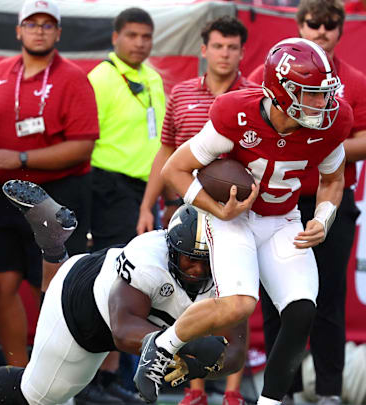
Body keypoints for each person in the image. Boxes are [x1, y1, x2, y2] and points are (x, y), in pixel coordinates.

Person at [134, 37, 353, 405]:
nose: (323, 103)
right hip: (233, 218)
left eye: (324, 93)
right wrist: (216, 209)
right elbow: (176, 169)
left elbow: (333, 180)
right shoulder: (236, 114)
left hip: (282, 218)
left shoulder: (332, 122)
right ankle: (161, 344)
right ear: (281, 92)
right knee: (239, 304)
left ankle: (269, 401)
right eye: (312, 94)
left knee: (302, 310)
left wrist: (324, 217)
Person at [0, 180, 248, 405]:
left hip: (96, 275)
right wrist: (185, 343)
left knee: (46, 363)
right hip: (83, 312)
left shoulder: (228, 275)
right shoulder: (150, 257)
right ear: (170, 244)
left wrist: (198, 366)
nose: (194, 268)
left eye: (203, 261)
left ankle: (54, 247)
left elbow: (235, 353)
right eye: (187, 257)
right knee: (37, 395)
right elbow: (122, 332)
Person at [248, 1, 366, 403]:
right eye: (313, 23)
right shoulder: (265, 73)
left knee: (327, 299)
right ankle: (282, 391)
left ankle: (328, 392)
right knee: (276, 301)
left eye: (330, 24)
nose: (321, 31)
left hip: (329, 196)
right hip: (275, 199)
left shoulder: (353, 82)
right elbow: (248, 123)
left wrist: (321, 143)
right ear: (299, 24)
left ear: (342, 29)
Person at [0, 0, 98, 368]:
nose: (39, 30)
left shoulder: (73, 76)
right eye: (32, 23)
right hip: (4, 193)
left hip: (59, 193)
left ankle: (54, 372)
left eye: (47, 24)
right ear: (18, 30)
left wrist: (21, 157)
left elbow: (83, 146)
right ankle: (16, 373)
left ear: (58, 32)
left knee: (54, 290)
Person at [136, 17, 256, 405]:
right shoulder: (183, 93)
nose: (225, 54)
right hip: (187, 208)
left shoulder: (253, 98)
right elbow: (167, 152)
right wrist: (146, 204)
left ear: (241, 52)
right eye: (218, 46)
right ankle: (195, 388)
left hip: (234, 210)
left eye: (232, 47)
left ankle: (233, 392)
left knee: (235, 295)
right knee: (190, 294)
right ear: (204, 50)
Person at [86, 8, 165, 401]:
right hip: (107, 186)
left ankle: (113, 377)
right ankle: (96, 379)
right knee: (114, 281)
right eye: (132, 35)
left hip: (144, 193)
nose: (139, 43)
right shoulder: (100, 77)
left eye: (146, 36)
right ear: (115, 37)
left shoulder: (153, 77)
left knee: (136, 284)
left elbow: (162, 142)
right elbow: (87, 138)